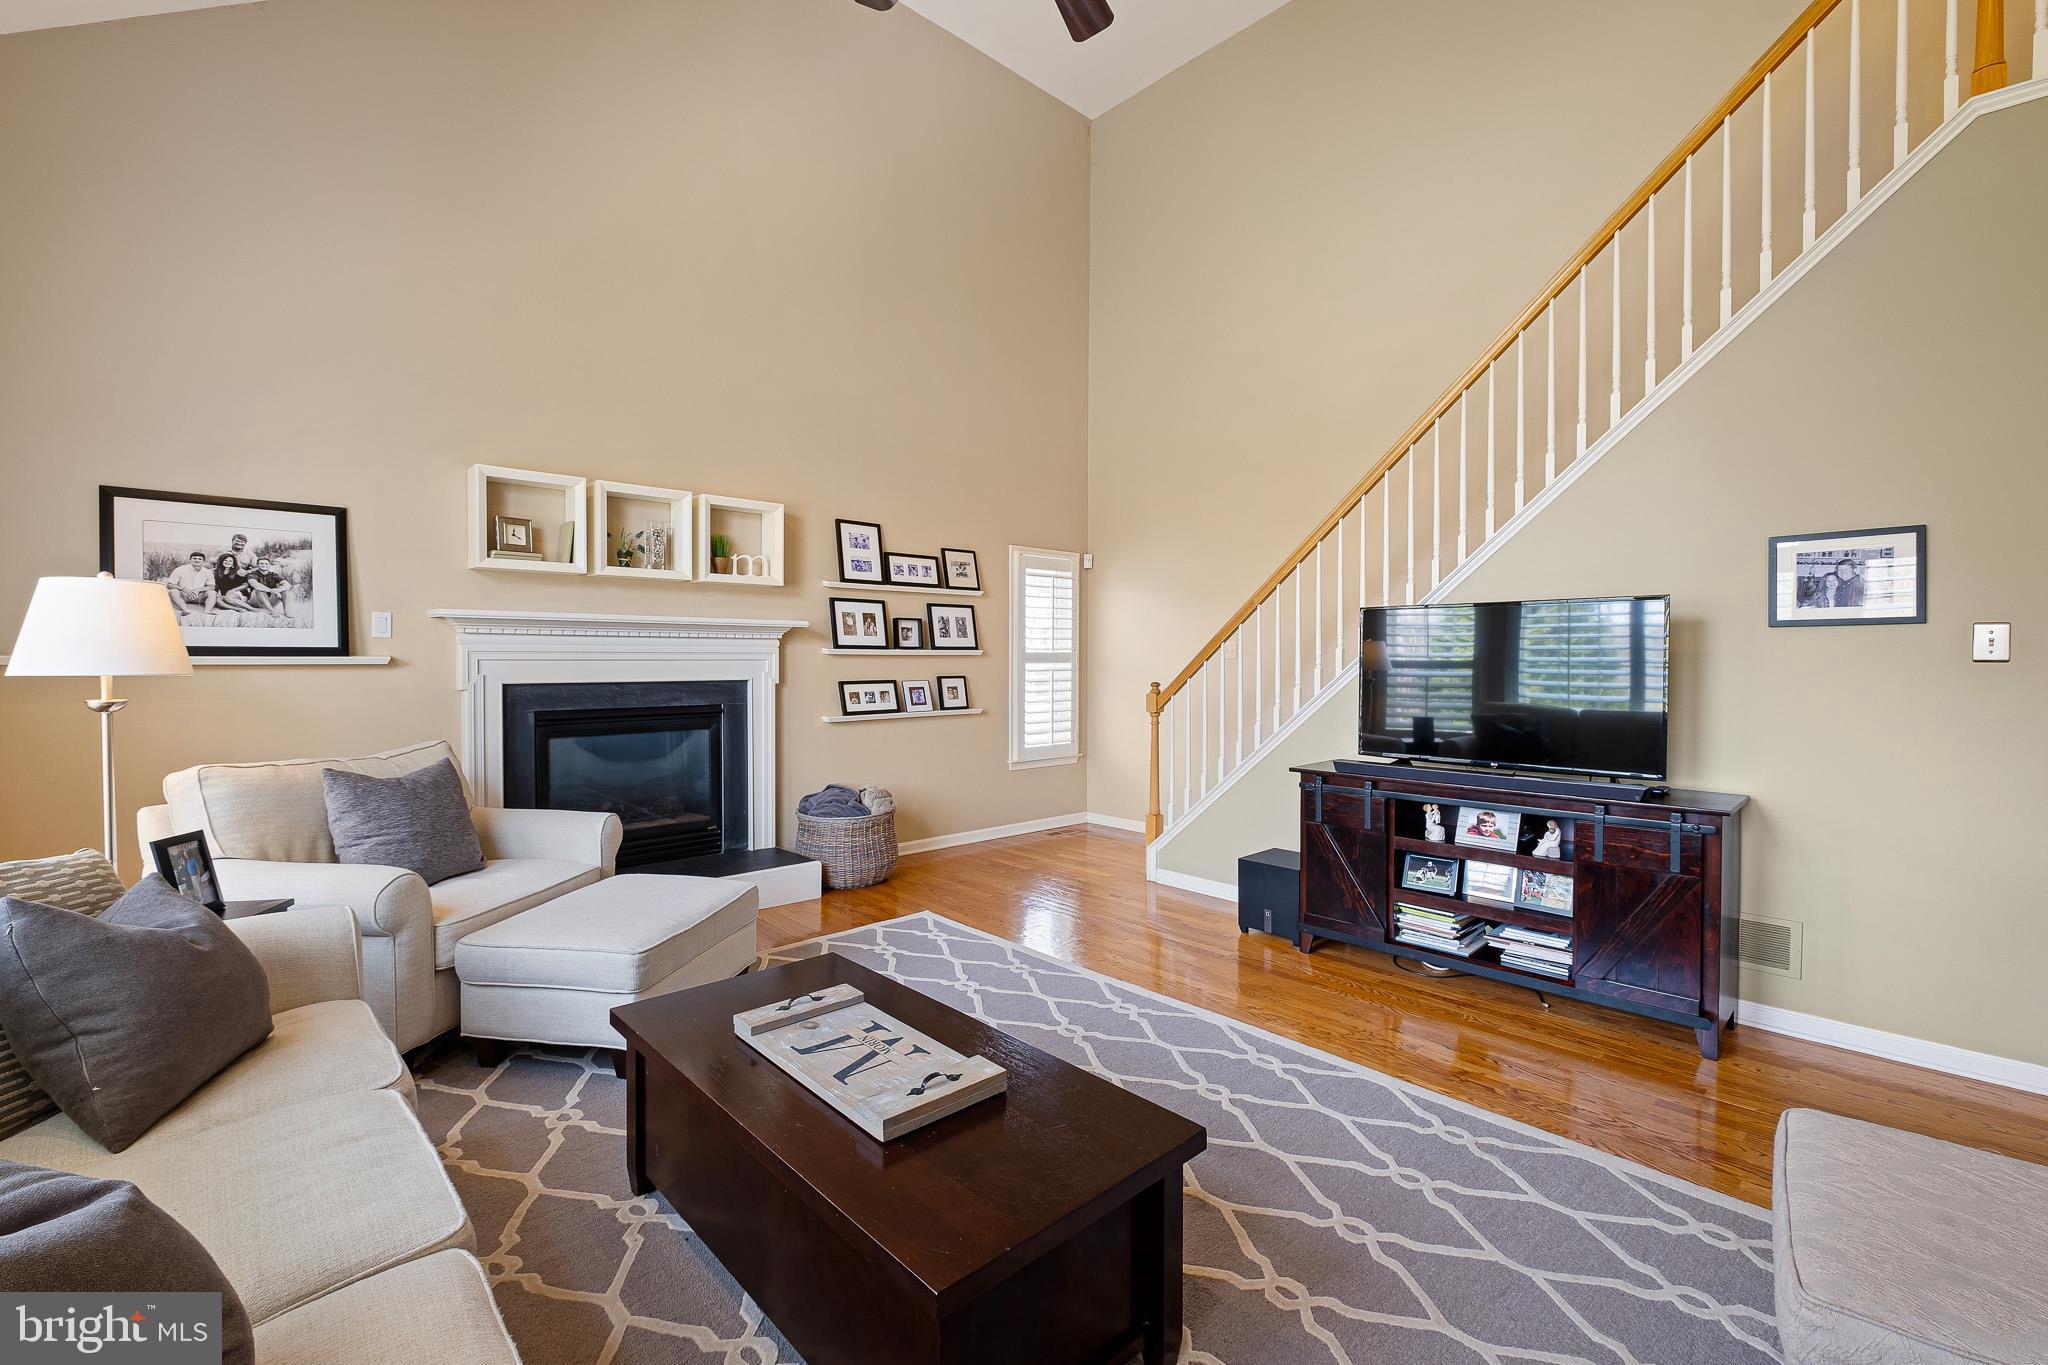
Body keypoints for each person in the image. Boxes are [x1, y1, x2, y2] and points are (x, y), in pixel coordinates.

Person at [164, 550, 217, 619]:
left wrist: (198, 590)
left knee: (212, 593)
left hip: (199, 596)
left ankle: (207, 611)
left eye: (200, 559)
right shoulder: (180, 569)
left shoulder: (208, 572)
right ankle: (185, 610)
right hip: (184, 595)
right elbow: (169, 585)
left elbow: (212, 586)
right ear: (190, 560)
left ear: (203, 561)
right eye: (194, 558)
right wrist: (183, 589)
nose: (197, 560)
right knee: (173, 591)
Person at [213, 534, 258, 612]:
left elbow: (258, 566)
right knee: (218, 600)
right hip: (226, 587)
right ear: (232, 541)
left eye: (242, 542)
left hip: (239, 583)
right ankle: (238, 609)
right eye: (237, 541)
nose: (240, 543)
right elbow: (212, 561)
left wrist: (247, 572)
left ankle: (253, 609)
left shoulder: (248, 553)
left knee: (229, 598)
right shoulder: (223, 550)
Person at [244, 555, 292, 620]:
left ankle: (287, 611)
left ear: (269, 565)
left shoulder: (273, 574)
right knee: (259, 590)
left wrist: (279, 589)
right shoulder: (253, 574)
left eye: (266, 563)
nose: (264, 565)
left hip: (269, 601)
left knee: (285, 590)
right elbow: (255, 584)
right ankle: (272, 611)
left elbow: (288, 585)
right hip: (255, 601)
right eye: (261, 563)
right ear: (257, 565)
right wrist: (271, 590)